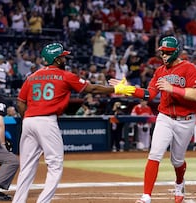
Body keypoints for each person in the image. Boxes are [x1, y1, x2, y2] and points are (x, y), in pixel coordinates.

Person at [12, 42, 131, 203]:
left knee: (26, 167)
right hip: (46, 121)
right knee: (55, 165)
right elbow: (92, 89)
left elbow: (20, 103)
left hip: (28, 121)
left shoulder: (31, 77)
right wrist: (117, 89)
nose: (65, 58)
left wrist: (28, 118)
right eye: (63, 56)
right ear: (57, 59)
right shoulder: (65, 75)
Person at [110, 36, 196, 203]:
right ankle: (146, 196)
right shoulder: (160, 71)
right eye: (162, 52)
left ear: (176, 52)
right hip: (165, 117)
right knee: (154, 154)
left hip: (186, 120)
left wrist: (172, 88)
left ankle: (179, 183)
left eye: (167, 53)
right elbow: (149, 94)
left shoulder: (189, 68)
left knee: (177, 160)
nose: (164, 56)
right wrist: (127, 89)